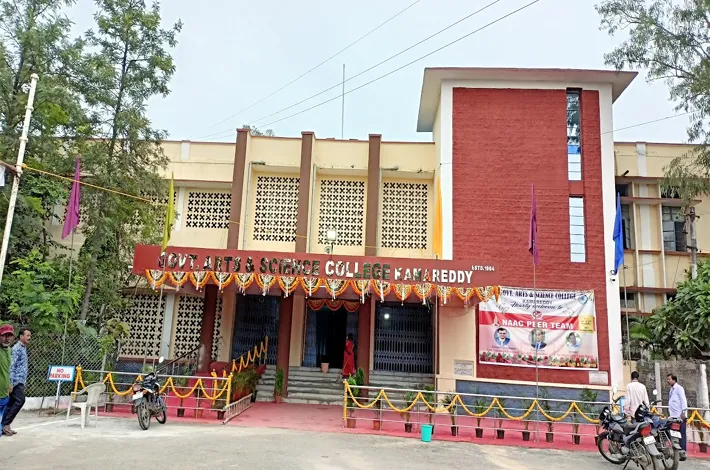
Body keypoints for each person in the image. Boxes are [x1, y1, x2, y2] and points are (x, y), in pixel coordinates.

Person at [3, 327, 30, 436]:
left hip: (20, 381)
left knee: (10, 404)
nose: (29, 337)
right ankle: (6, 424)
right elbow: (11, 366)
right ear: (21, 336)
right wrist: (10, 383)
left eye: (30, 335)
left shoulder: (23, 348)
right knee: (20, 400)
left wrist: (23, 382)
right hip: (15, 381)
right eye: (27, 335)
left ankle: (4, 426)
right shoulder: (17, 348)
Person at [667, 373, 688, 461]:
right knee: (673, 434)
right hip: (673, 416)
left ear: (674, 380)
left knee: (682, 434)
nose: (668, 381)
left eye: (669, 379)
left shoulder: (679, 388)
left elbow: (683, 401)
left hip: (680, 416)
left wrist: (683, 412)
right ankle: (676, 452)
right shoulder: (671, 390)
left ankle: (683, 452)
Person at [0, 324, 13, 440]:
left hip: (5, 395)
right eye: (4, 335)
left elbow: (9, 369)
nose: (7, 338)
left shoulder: (8, 350)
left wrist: (10, 383)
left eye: (9, 336)